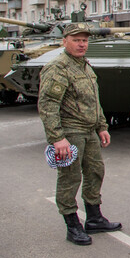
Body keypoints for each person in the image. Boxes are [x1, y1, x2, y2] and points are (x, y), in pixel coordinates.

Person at [38, 23, 122, 246]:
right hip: (70, 132)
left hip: (89, 130)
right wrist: (57, 138)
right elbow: (48, 105)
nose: (82, 44)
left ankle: (94, 218)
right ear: (64, 41)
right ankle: (72, 225)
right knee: (70, 177)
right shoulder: (58, 68)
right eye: (76, 40)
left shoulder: (84, 65)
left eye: (84, 40)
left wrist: (102, 125)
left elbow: (94, 100)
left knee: (95, 171)